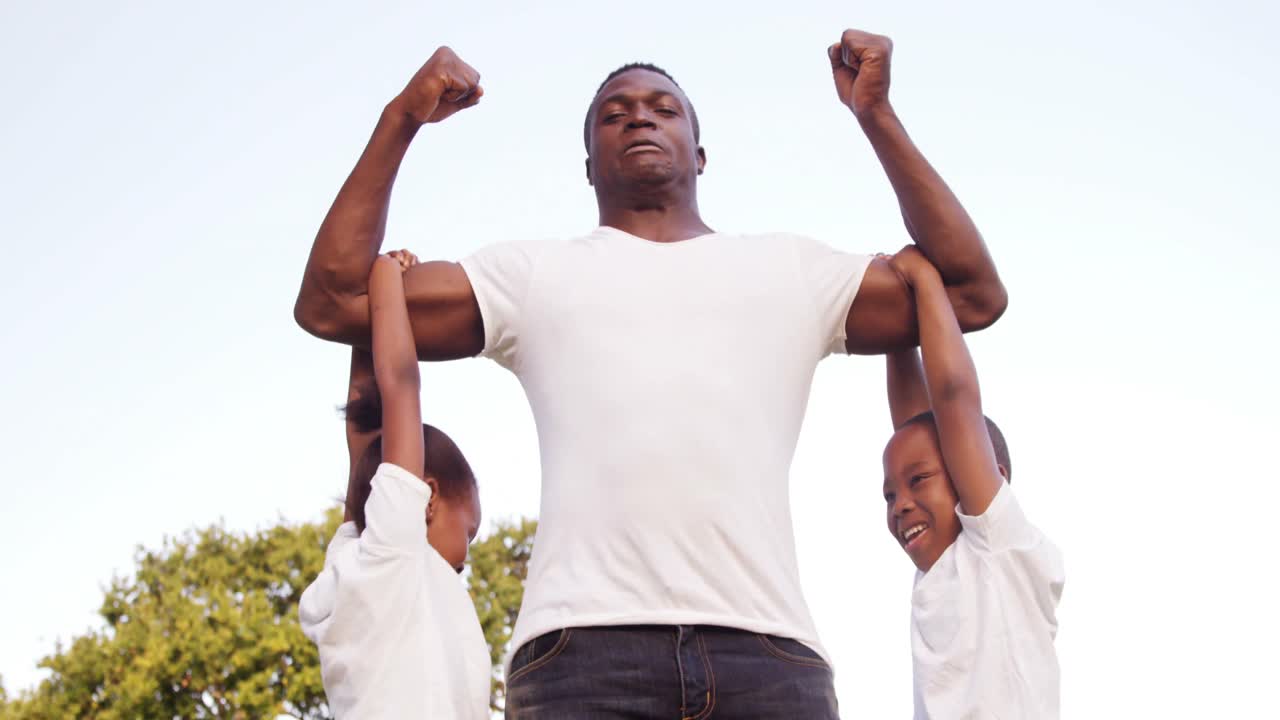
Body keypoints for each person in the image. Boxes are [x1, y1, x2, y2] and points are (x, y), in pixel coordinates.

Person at [294, 29, 1007, 719]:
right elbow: (332, 302)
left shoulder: (792, 271)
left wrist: (875, 117)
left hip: (770, 655)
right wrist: (401, 119)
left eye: (663, 108)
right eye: (614, 112)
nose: (638, 113)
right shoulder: (532, 276)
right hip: (581, 655)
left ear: (699, 155)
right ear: (587, 166)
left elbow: (972, 293)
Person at [298, 250, 489, 719]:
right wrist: (385, 276)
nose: (467, 552)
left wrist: (366, 315)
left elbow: (363, 439)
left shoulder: (355, 563)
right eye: (468, 531)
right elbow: (400, 385)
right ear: (427, 500)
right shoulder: (394, 556)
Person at [881, 246, 1064, 719]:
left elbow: (953, 399)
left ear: (992, 476)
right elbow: (915, 430)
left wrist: (924, 282)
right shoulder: (942, 571)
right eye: (890, 494)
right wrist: (895, 334)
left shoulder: (1000, 549)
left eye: (919, 482)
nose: (901, 504)